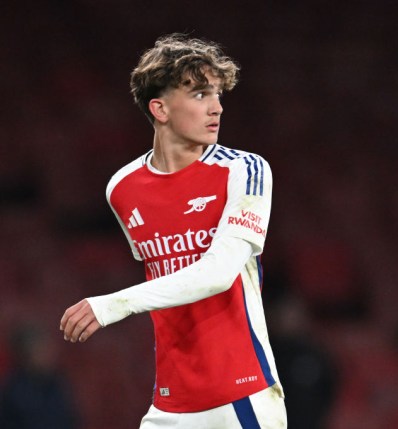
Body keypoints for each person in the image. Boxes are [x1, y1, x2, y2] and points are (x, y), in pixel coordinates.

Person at [60, 33, 286, 429]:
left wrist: (113, 304)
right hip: (169, 405)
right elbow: (164, 277)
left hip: (242, 397)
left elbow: (217, 274)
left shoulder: (245, 170)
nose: (217, 107)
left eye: (217, 94)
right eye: (200, 94)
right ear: (160, 108)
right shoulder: (121, 188)